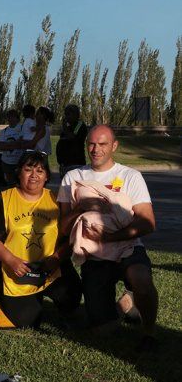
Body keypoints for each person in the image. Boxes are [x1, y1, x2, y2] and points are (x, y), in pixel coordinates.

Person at [58, 125, 157, 349]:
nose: (95, 149)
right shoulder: (73, 177)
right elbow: (64, 228)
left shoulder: (130, 176)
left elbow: (147, 222)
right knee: (102, 332)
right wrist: (80, 207)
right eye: (91, 144)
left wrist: (109, 238)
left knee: (141, 281)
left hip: (127, 246)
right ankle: (125, 304)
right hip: (94, 255)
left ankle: (149, 333)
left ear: (114, 146)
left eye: (102, 144)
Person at [0, 151, 82, 328]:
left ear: (46, 177)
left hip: (50, 268)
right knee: (25, 321)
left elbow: (70, 237)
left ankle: (62, 303)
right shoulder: (3, 199)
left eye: (40, 171)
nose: (34, 175)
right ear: (19, 172)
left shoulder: (56, 200)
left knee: (71, 293)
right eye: (28, 169)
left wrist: (56, 259)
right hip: (16, 271)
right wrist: (11, 260)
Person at [56, 104, 89, 177]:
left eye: (68, 114)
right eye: (65, 114)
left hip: (75, 163)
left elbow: (72, 137)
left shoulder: (80, 125)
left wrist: (65, 127)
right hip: (65, 163)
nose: (66, 117)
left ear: (76, 114)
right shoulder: (69, 126)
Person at [0, 109, 24, 185]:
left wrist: (7, 145)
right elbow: (0, 146)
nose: (10, 119)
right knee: (9, 183)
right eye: (9, 117)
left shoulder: (22, 129)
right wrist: (16, 144)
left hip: (19, 161)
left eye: (13, 117)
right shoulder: (4, 131)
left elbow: (23, 144)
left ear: (17, 118)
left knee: (21, 182)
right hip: (6, 162)